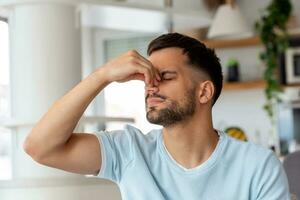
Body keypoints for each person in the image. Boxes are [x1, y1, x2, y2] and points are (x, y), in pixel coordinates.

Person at [23, 33, 290, 200]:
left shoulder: (258, 166)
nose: (151, 85)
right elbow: (40, 148)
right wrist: (102, 75)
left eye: (165, 77)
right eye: (147, 77)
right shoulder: (129, 150)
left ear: (204, 92)